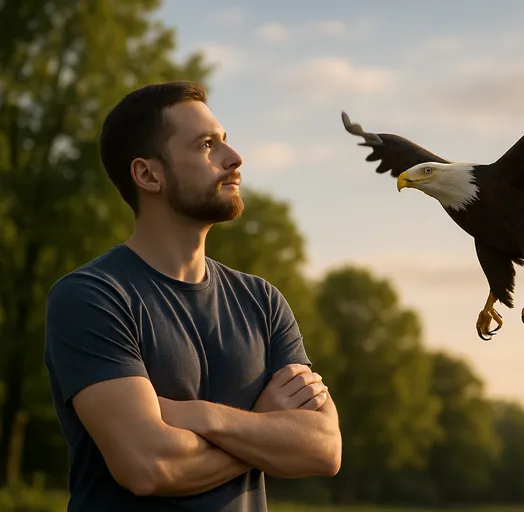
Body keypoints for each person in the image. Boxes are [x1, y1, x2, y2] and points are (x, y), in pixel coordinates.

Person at [43, 81, 342, 512]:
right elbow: (148, 467)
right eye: (206, 145)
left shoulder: (263, 301)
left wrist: (201, 417)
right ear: (148, 174)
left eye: (224, 140)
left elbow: (323, 448)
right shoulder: (92, 297)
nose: (234, 157)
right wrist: (263, 427)